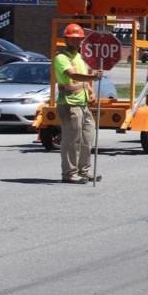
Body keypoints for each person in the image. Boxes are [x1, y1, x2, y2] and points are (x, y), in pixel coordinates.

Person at [54, 24, 104, 184]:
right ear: (66, 39)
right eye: (73, 38)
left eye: (79, 39)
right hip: (69, 105)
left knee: (87, 138)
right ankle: (69, 174)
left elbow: (81, 80)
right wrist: (93, 78)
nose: (76, 41)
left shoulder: (80, 58)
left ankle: (84, 170)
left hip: (83, 105)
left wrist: (90, 90)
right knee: (71, 141)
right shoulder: (61, 58)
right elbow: (73, 75)